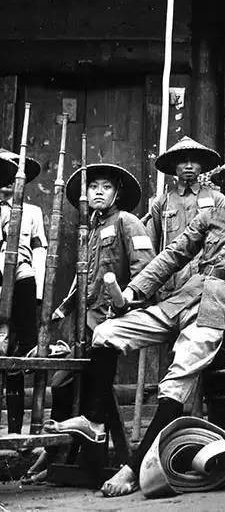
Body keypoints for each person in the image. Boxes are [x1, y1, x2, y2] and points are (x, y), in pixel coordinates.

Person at [45, 149, 225, 498]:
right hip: (181, 299)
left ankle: (134, 468)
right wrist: (134, 291)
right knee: (107, 332)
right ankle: (95, 422)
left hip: (217, 311)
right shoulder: (211, 216)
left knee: (176, 380)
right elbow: (173, 255)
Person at [24, 163, 155, 483]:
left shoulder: (127, 222)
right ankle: (56, 452)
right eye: (93, 187)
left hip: (111, 322)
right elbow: (82, 280)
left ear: (117, 193)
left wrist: (126, 305)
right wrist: (62, 310)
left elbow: (146, 272)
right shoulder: (90, 229)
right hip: (83, 323)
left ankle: (86, 457)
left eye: (106, 187)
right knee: (62, 384)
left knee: (96, 389)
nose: (98, 192)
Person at [0, 149, 47, 434]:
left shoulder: (32, 212)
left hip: (22, 282)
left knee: (16, 351)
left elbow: (40, 251)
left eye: (14, 174)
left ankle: (16, 430)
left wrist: (37, 291)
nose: (9, 180)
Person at [147, 136, 225, 292]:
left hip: (206, 282)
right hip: (171, 283)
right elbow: (151, 248)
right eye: (183, 161)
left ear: (201, 166)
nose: (189, 166)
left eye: (194, 161)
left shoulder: (217, 199)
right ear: (174, 166)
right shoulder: (162, 202)